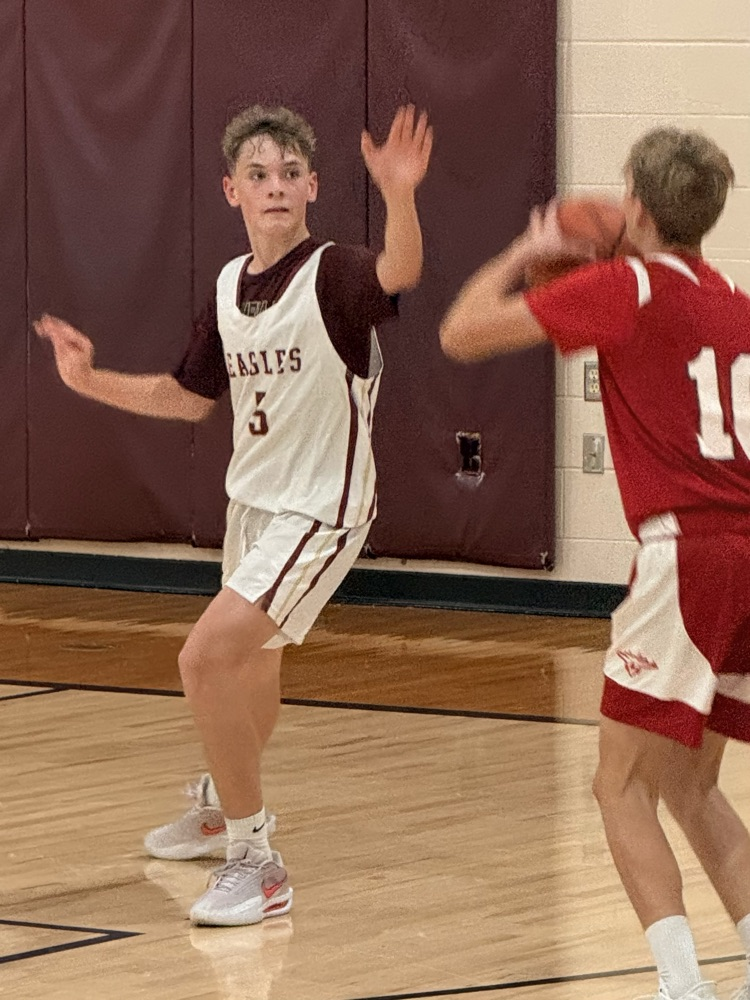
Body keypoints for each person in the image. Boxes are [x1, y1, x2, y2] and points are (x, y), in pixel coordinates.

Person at [36, 102, 432, 926]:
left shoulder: (335, 274)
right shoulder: (227, 287)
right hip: (253, 506)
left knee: (204, 659)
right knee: (251, 672)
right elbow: (187, 399)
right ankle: (223, 806)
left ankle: (257, 862)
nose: (275, 185)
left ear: (313, 186)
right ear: (231, 190)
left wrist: (399, 194)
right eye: (258, 174)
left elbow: (400, 270)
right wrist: (87, 380)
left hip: (320, 509)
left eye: (290, 172)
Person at [439, 127, 750, 1000]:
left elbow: (461, 333)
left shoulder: (626, 288)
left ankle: (681, 988)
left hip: (688, 554)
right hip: (747, 555)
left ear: (637, 206)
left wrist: (527, 250)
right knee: (690, 788)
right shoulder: (739, 303)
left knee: (618, 788)